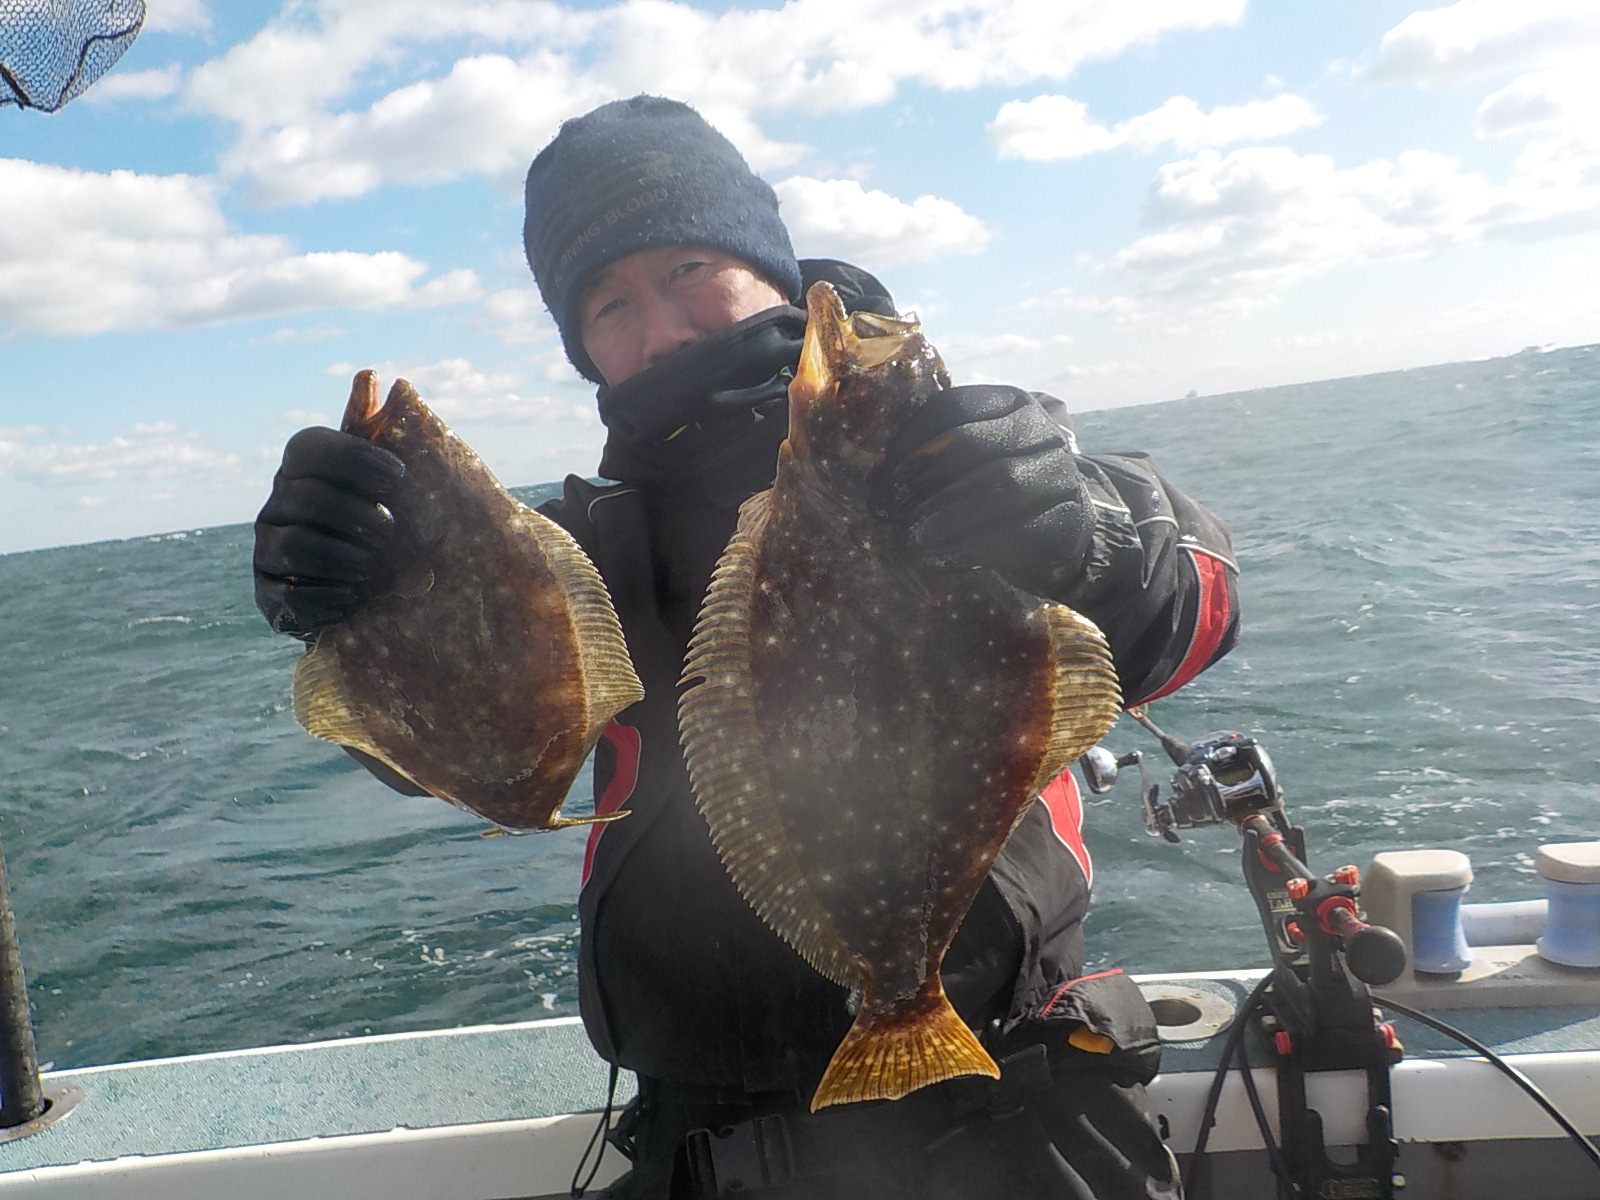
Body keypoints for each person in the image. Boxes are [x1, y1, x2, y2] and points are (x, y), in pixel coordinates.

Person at [252, 95, 1240, 1200]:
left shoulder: (970, 467)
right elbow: (458, 754)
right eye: (609, 304)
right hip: (703, 1149)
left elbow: (1196, 603)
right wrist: (359, 608)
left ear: (769, 268)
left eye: (688, 268)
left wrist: (1091, 536)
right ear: (582, 349)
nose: (663, 329)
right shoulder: (580, 553)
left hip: (1020, 1115)